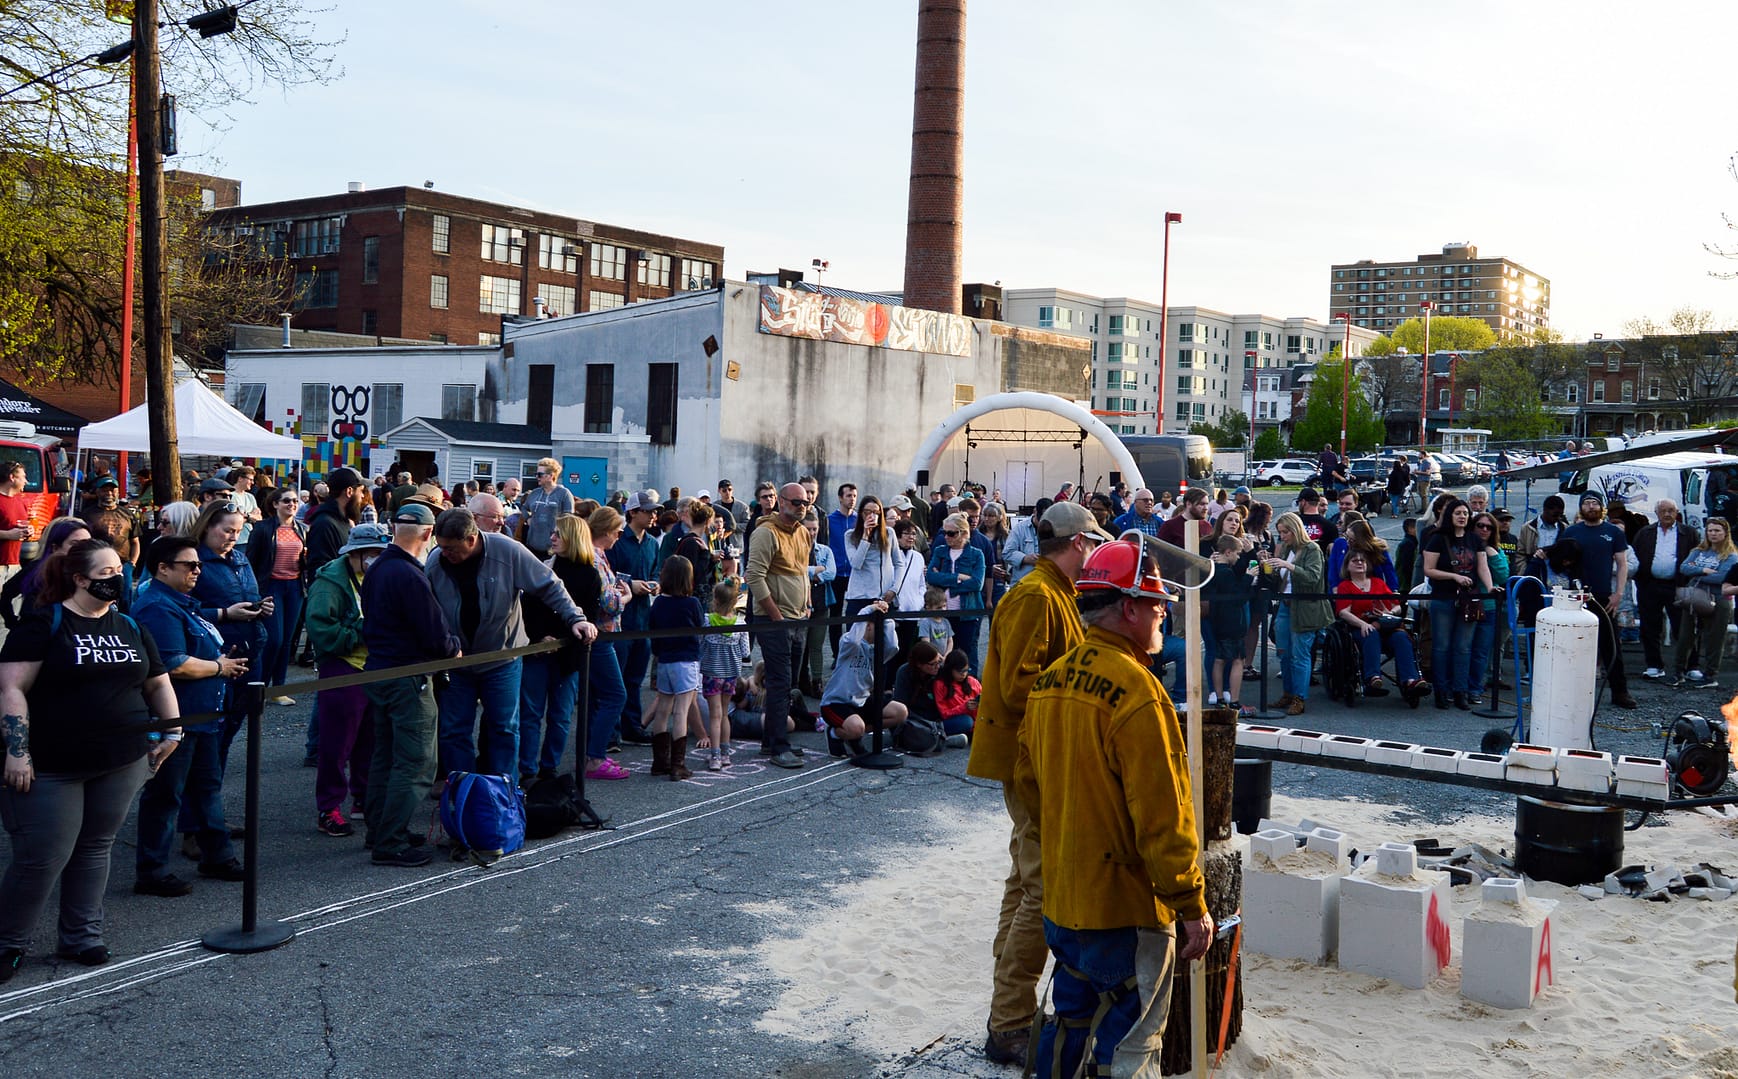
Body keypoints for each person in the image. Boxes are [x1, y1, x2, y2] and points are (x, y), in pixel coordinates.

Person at [1011, 536, 1211, 1078]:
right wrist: (1190, 903)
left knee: (1070, 1033)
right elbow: (1163, 819)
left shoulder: (1050, 682)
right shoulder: (1140, 693)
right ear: (1128, 607)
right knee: (1130, 1049)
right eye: (1156, 603)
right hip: (1127, 913)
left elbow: (1029, 788)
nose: (1164, 612)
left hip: (1065, 903)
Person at [967, 501, 1112, 1064]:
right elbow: (1014, 685)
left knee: (1022, 880)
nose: (1097, 552)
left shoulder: (1055, 593)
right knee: (1042, 889)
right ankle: (1009, 1023)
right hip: (1031, 757)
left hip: (1037, 754)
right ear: (1077, 543)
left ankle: (1007, 1009)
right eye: (1093, 543)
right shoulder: (1036, 596)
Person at [0, 539, 182, 979]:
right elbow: (11, 689)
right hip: (51, 765)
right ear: (79, 579)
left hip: (121, 758)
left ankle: (81, 936)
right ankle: (9, 943)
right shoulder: (44, 623)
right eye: (105, 574)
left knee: (96, 846)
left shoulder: (129, 626)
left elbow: (157, 683)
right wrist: (16, 752)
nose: (116, 580)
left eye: (119, 572)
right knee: (42, 855)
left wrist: (173, 730)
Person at [426, 507, 595, 781]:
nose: (446, 553)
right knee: (454, 729)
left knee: (504, 727)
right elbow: (428, 610)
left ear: (471, 539)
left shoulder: (507, 551)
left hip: (502, 657)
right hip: (457, 660)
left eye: (451, 548)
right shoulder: (435, 563)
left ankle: (505, 794)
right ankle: (463, 791)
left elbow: (549, 585)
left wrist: (575, 618)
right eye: (441, 546)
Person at [131, 535, 249, 895]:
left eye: (199, 564)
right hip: (177, 718)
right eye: (190, 565)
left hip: (202, 714)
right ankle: (152, 870)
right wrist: (219, 666)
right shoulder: (157, 607)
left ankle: (217, 855)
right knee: (166, 794)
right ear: (163, 568)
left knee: (206, 788)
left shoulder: (181, 603)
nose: (198, 570)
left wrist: (218, 661)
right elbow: (173, 664)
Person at [303, 522, 389, 838]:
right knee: (337, 743)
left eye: (383, 552)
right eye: (374, 553)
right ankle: (329, 808)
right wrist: (360, 634)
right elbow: (321, 630)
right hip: (342, 668)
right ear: (357, 553)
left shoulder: (377, 576)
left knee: (370, 739)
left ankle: (363, 799)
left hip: (374, 667)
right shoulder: (330, 582)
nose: (378, 559)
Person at [188, 501, 272, 765]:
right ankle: (203, 797)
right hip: (216, 657)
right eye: (227, 531)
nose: (234, 537)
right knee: (212, 732)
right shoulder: (193, 560)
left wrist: (262, 607)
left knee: (231, 729)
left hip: (250, 655)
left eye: (238, 531)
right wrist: (224, 614)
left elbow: (250, 595)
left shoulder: (240, 557)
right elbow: (182, 610)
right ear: (207, 527)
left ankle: (211, 791)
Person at [744, 483, 813, 770]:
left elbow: (802, 572)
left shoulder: (802, 532)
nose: (801, 506)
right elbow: (753, 576)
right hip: (774, 619)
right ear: (781, 502)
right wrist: (775, 615)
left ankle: (772, 739)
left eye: (805, 502)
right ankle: (778, 746)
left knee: (787, 683)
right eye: (796, 502)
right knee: (779, 681)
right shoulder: (765, 532)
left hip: (798, 618)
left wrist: (807, 604)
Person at [1562, 491, 1636, 709]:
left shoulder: (1613, 532)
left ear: (1601, 507)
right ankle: (1571, 692)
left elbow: (1622, 564)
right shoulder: (1571, 531)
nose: (1591, 507)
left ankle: (1620, 692)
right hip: (1575, 597)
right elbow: (1559, 561)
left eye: (1595, 503)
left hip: (1604, 598)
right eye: (1587, 503)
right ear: (1581, 508)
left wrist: (1618, 593)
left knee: (1611, 646)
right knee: (1574, 646)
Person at [1421, 497, 1491, 710]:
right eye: (1458, 513)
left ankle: (1460, 691)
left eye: (1465, 513)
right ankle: (1441, 691)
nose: (1462, 516)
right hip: (1443, 597)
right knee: (1442, 646)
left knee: (1463, 647)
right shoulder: (1437, 539)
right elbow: (1429, 569)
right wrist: (1454, 577)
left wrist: (1489, 588)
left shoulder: (1474, 539)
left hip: (1468, 599)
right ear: (1450, 515)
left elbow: (1482, 567)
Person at [1334, 549, 1430, 703]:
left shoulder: (1378, 583)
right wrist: (1363, 624)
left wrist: (1390, 611)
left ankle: (1410, 680)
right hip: (1360, 628)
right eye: (1355, 561)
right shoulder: (1345, 586)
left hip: (1385, 626)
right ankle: (1372, 677)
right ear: (1347, 566)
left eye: (1362, 560)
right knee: (1371, 633)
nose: (1359, 563)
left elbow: (1397, 606)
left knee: (1401, 637)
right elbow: (1343, 612)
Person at [1262, 511, 1333, 717]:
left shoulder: (1312, 549)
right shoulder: (1286, 548)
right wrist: (1271, 566)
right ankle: (1288, 693)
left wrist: (1288, 565)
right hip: (1284, 605)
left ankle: (1299, 698)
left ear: (1295, 530)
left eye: (1285, 532)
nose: (1282, 536)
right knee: (1283, 652)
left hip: (1305, 606)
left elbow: (1313, 577)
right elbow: (1280, 578)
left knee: (1300, 655)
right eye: (1280, 532)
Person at [245, 485, 307, 707]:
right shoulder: (262, 529)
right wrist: (253, 592)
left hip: (295, 587)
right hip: (270, 587)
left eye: (294, 501)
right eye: (286, 501)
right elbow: (250, 561)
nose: (292, 504)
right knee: (274, 640)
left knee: (287, 641)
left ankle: (278, 689)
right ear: (275, 504)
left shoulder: (301, 529)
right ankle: (258, 687)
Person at [818, 599, 905, 758]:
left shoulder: (876, 650)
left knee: (900, 712)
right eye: (878, 627)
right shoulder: (848, 642)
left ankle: (853, 734)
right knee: (856, 727)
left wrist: (887, 617)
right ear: (868, 625)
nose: (881, 632)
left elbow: (893, 647)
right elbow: (853, 638)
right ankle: (835, 734)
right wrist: (868, 610)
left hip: (861, 701)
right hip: (836, 702)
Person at [646, 555, 704, 781]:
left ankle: (659, 761)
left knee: (663, 709)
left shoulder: (659, 602)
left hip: (665, 660)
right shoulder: (692, 603)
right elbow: (699, 627)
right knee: (681, 711)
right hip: (686, 660)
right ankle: (678, 765)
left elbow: (652, 629)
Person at [611, 491, 661, 744]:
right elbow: (608, 575)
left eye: (654, 511)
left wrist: (654, 584)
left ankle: (632, 727)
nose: (654, 515)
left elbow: (658, 573)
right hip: (621, 620)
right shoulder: (618, 541)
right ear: (633, 512)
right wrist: (633, 583)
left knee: (634, 679)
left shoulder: (652, 543)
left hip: (643, 620)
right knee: (616, 680)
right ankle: (611, 733)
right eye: (649, 511)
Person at [1633, 499, 1698, 680]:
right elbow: (1635, 557)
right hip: (1649, 585)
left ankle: (1690, 666)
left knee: (1683, 627)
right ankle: (1654, 665)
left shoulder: (1689, 533)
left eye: (1671, 511)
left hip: (1678, 586)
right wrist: (1641, 581)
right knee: (1649, 627)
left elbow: (1696, 557)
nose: (1667, 514)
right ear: (1656, 513)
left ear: (1677, 512)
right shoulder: (1645, 533)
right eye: (1663, 511)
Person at [1672, 517, 1738, 689]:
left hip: (1719, 600)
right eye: (1710, 530)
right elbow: (1684, 568)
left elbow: (1723, 577)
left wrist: (1697, 574)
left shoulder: (1731, 555)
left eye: (1717, 530)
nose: (1713, 534)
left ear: (1725, 533)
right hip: (1694, 597)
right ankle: (1678, 672)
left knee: (1715, 638)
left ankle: (1710, 675)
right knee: (1686, 635)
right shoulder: (1698, 551)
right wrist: (1704, 570)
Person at [2, 518, 90, 631]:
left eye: (88, 544)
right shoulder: (37, 570)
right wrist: (12, 623)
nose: (83, 549)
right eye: (74, 544)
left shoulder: (91, 572)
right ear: (55, 548)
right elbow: (7, 592)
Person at [927, 512, 987, 677]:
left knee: (967, 650)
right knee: (943, 649)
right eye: (944, 532)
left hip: (968, 612)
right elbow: (930, 576)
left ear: (964, 533)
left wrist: (945, 581)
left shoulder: (976, 554)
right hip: (943, 612)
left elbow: (976, 583)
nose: (946, 537)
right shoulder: (940, 551)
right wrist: (958, 578)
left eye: (951, 533)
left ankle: (970, 687)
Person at [699, 580, 749, 771]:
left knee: (714, 715)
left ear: (715, 600)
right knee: (725, 713)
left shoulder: (707, 621)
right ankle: (726, 753)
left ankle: (715, 755)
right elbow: (745, 652)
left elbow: (699, 644)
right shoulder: (739, 623)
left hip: (712, 673)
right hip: (730, 674)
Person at [1204, 534, 1255, 712]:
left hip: (1216, 621)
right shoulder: (1226, 573)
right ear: (1228, 552)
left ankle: (1219, 698)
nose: (1239, 557)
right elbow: (1237, 599)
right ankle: (1234, 700)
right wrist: (1248, 577)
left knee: (1218, 660)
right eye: (1237, 553)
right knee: (1237, 661)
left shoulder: (1212, 570)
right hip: (1232, 623)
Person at [1465, 512, 1511, 707]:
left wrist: (1490, 553)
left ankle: (1475, 688)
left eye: (1489, 527)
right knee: (1462, 649)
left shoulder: (1496, 550)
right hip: (1466, 604)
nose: (1484, 529)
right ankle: (1459, 687)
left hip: (1489, 606)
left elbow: (1503, 575)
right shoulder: (1464, 547)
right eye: (1480, 525)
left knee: (1482, 651)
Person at [797, 509, 837, 698]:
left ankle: (817, 681)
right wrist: (815, 570)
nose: (812, 533)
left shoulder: (825, 550)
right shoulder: (795, 549)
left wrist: (810, 573)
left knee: (816, 645)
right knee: (799, 646)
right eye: (809, 529)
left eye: (815, 529)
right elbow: (795, 571)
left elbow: (831, 573)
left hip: (821, 603)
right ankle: (798, 681)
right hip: (800, 602)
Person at [518, 458, 574, 559]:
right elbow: (524, 507)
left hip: (553, 547)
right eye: (536, 474)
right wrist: (528, 518)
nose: (537, 477)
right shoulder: (535, 493)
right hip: (533, 545)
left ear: (551, 476)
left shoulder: (564, 494)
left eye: (540, 474)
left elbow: (569, 518)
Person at [1003, 497, 1053, 585]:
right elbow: (1007, 553)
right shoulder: (1019, 528)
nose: (1043, 524)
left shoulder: (1056, 529)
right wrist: (1025, 558)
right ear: (1035, 512)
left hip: (1047, 583)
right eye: (1040, 519)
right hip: (1022, 584)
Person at [932, 648, 980, 741]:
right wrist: (964, 708)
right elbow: (944, 714)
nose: (964, 674)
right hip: (956, 720)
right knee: (967, 722)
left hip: (977, 719)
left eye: (966, 670)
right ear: (950, 669)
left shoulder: (972, 681)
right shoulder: (940, 685)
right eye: (960, 671)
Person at [1517, 495, 1568, 566]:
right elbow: (1520, 554)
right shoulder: (1527, 528)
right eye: (1555, 515)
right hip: (1533, 571)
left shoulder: (1565, 529)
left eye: (1560, 515)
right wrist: (1524, 572)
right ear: (1545, 510)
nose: (1558, 518)